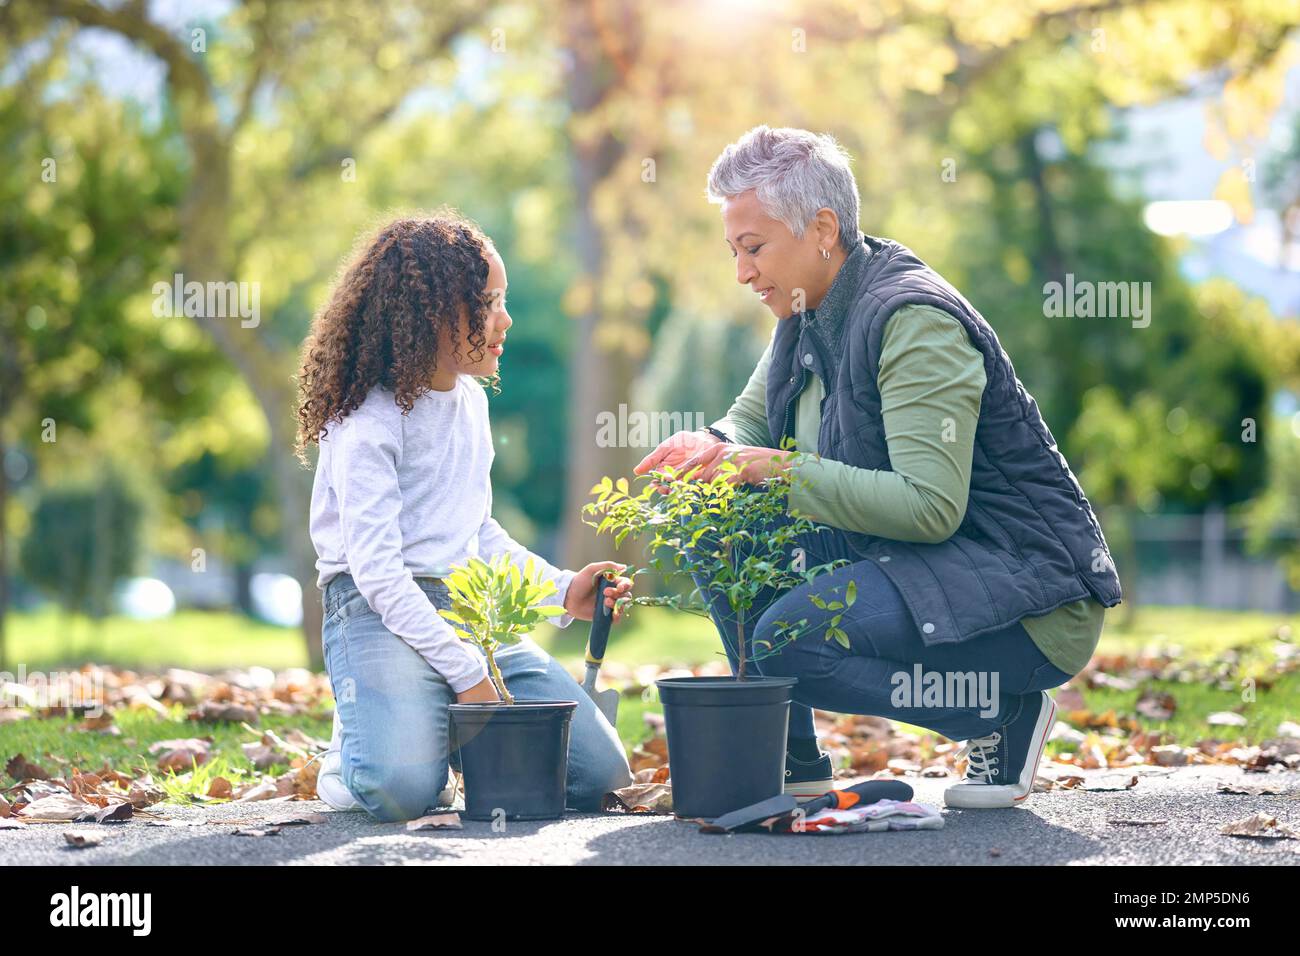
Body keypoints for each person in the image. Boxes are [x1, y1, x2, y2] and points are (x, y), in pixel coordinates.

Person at [636, 127, 1121, 808]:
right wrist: (711, 445)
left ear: (823, 229)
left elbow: (929, 507)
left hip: (1024, 589)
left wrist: (772, 469)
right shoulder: (807, 313)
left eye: (753, 248)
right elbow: (748, 421)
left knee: (790, 642)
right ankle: (793, 758)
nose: (742, 272)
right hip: (916, 560)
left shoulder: (913, 319)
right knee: (719, 522)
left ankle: (1002, 717)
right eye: (735, 252)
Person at [295, 213, 633, 822]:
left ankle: (432, 728)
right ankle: (356, 749)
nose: (505, 321)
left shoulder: (470, 403)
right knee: (397, 791)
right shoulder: (365, 423)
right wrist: (469, 672)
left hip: (467, 606)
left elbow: (476, 533)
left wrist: (564, 591)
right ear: (432, 315)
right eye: (489, 304)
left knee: (594, 775)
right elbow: (377, 574)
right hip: (375, 612)